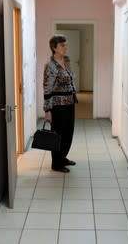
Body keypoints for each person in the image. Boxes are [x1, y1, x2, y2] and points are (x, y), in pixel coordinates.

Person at [43, 35, 77, 173]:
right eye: (62, 45)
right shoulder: (50, 66)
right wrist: (47, 110)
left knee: (69, 132)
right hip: (57, 106)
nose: (65, 47)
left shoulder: (67, 60)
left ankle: (63, 157)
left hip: (70, 103)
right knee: (58, 134)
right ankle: (56, 163)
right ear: (54, 47)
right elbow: (47, 88)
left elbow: (71, 79)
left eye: (65, 45)